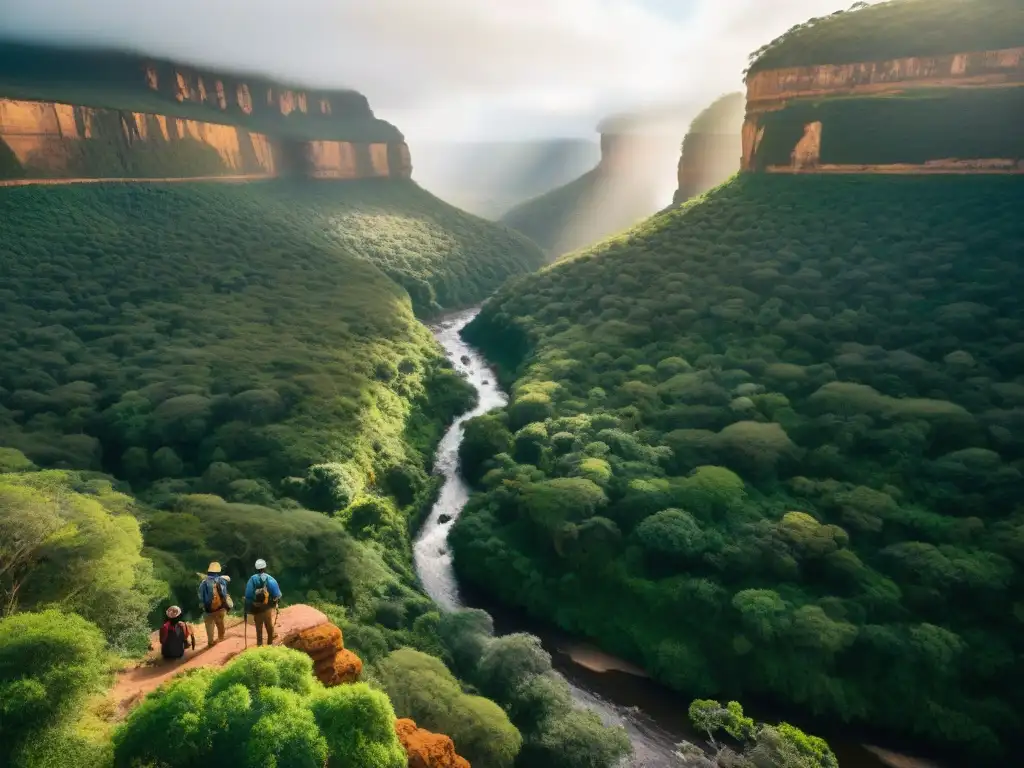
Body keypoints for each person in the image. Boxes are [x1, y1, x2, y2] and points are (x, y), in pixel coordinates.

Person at [245, 558, 282, 647]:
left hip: (256, 608)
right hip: (267, 607)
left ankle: (260, 646)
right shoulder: (270, 579)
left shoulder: (252, 579)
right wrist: (275, 603)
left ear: (256, 568)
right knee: (269, 626)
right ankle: (270, 644)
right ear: (265, 567)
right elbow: (277, 594)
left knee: (259, 628)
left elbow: (248, 595)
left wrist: (249, 611)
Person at [198, 561, 231, 647]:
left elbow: (200, 596)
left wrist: (204, 604)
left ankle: (210, 642)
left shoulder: (203, 583)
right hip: (219, 609)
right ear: (217, 571)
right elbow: (224, 594)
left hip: (208, 610)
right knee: (220, 624)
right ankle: (221, 638)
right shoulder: (221, 580)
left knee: (209, 626)